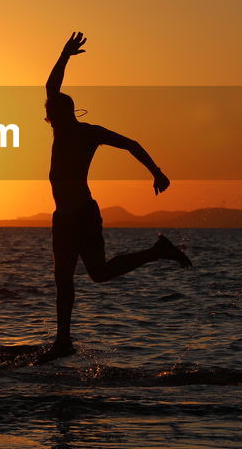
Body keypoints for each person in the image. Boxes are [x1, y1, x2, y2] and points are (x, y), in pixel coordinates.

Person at [42, 31, 191, 359]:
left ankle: (157, 251)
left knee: (92, 274)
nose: (48, 115)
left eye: (51, 111)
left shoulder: (82, 132)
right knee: (72, 278)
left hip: (81, 213)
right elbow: (52, 91)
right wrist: (156, 172)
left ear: (61, 113)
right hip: (63, 216)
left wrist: (157, 172)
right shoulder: (65, 129)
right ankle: (63, 341)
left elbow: (130, 144)